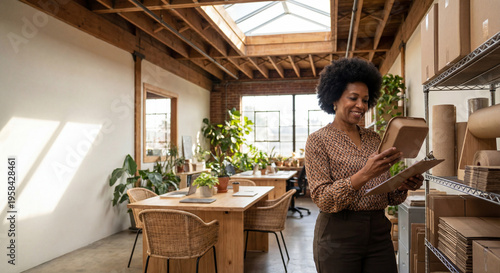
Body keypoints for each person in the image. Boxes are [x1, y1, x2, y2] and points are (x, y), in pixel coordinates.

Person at [305, 58, 424, 273]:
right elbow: (322, 198)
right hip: (338, 234)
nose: (361, 105)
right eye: (353, 98)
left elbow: (386, 195)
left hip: (378, 231)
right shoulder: (318, 140)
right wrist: (365, 174)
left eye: (366, 99)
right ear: (334, 98)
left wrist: (401, 186)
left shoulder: (374, 138)